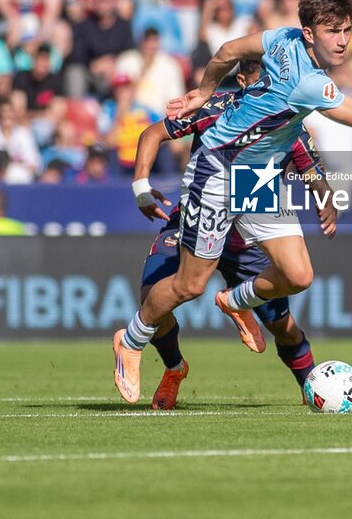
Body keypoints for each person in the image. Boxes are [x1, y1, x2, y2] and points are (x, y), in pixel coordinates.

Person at [112, 0, 352, 403]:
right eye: (332, 31)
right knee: (189, 286)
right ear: (308, 33)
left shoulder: (279, 38)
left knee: (298, 275)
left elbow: (228, 50)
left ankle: (236, 299)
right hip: (219, 170)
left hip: (258, 176)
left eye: (347, 31)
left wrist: (205, 89)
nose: (342, 40)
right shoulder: (310, 83)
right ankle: (132, 340)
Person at [126, 59, 334, 408]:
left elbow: (312, 169)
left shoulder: (289, 123)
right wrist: (140, 186)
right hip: (195, 216)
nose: (271, 86)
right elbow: (153, 133)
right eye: (262, 77)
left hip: (247, 234)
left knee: (282, 325)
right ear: (241, 79)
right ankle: (175, 368)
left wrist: (325, 200)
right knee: (153, 296)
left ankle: (314, 390)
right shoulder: (219, 108)